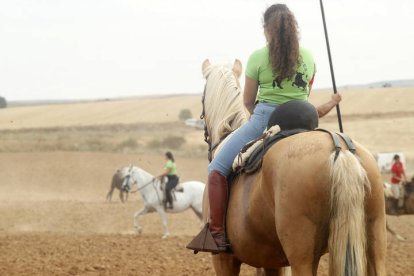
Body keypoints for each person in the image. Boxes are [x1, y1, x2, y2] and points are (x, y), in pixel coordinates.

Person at [188, 4, 342, 254]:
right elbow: (305, 94)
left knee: (216, 168)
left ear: (266, 29)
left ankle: (216, 235)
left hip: (266, 120)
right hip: (303, 120)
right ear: (293, 28)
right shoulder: (309, 57)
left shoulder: (258, 57)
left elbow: (248, 101)